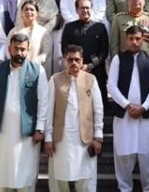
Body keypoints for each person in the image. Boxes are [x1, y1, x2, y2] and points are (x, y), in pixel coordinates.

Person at [0, 33, 49, 192]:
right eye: (16, 49)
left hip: (26, 134)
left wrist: (40, 128)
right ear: (9, 49)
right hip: (2, 133)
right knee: (2, 175)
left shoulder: (37, 71)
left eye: (23, 49)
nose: (19, 53)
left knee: (25, 177)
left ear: (28, 50)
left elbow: (43, 101)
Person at [108, 25, 149, 192]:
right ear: (126, 40)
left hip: (146, 116)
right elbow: (111, 86)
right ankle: (124, 188)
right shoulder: (118, 59)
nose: (135, 42)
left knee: (147, 156)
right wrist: (128, 105)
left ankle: (148, 189)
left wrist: (143, 108)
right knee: (123, 154)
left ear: (143, 39)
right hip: (124, 115)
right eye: (131, 39)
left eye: (138, 38)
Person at [45, 45, 104, 192]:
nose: (74, 63)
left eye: (77, 60)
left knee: (85, 180)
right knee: (59, 179)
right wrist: (48, 138)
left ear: (82, 60)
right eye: (70, 60)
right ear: (65, 61)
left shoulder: (91, 79)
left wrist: (98, 137)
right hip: (61, 139)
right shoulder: (55, 79)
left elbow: (98, 109)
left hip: (85, 139)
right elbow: (48, 111)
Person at [61, 0, 109, 106]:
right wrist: (78, 65)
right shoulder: (69, 28)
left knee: (98, 104)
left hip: (96, 71)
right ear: (76, 10)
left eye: (87, 7)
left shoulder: (100, 27)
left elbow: (104, 51)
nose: (85, 10)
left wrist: (90, 66)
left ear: (92, 9)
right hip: (74, 70)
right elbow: (65, 50)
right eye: (82, 8)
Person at [8, 0, 54, 76]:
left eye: (31, 9)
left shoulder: (43, 32)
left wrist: (31, 64)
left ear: (37, 13)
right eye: (26, 9)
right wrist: (18, 62)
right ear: (21, 13)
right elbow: (8, 50)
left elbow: (45, 53)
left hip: (37, 70)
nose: (28, 12)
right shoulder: (14, 31)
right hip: (17, 69)